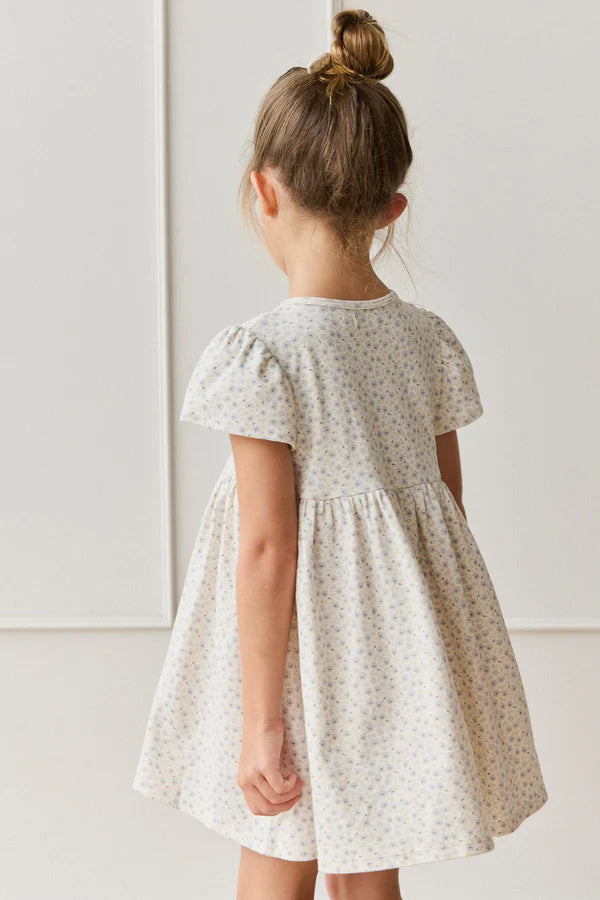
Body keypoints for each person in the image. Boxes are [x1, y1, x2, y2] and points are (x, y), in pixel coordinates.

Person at [132, 9, 548, 899]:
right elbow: (448, 517)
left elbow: (266, 546)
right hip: (391, 657)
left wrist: (261, 721)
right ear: (393, 207)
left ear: (264, 191)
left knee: (276, 859)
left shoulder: (262, 356)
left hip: (289, 658)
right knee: (367, 872)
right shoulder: (428, 344)